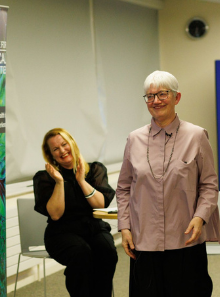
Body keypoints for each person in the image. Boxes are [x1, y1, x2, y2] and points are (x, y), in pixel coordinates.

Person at [116, 70, 219, 296]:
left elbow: (209, 185)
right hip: (144, 240)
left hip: (185, 239)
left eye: (162, 94)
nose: (155, 101)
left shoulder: (197, 136)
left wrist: (200, 216)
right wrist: (124, 227)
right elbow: (123, 187)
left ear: (177, 97)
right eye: (150, 96)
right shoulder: (134, 139)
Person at [32, 128, 116, 297]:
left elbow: (100, 204)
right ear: (51, 155)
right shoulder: (45, 177)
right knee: (81, 254)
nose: (62, 151)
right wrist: (59, 182)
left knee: (107, 250)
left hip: (94, 228)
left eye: (64, 144)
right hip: (61, 233)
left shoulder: (94, 169)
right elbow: (55, 214)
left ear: (72, 143)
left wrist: (81, 180)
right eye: (56, 149)